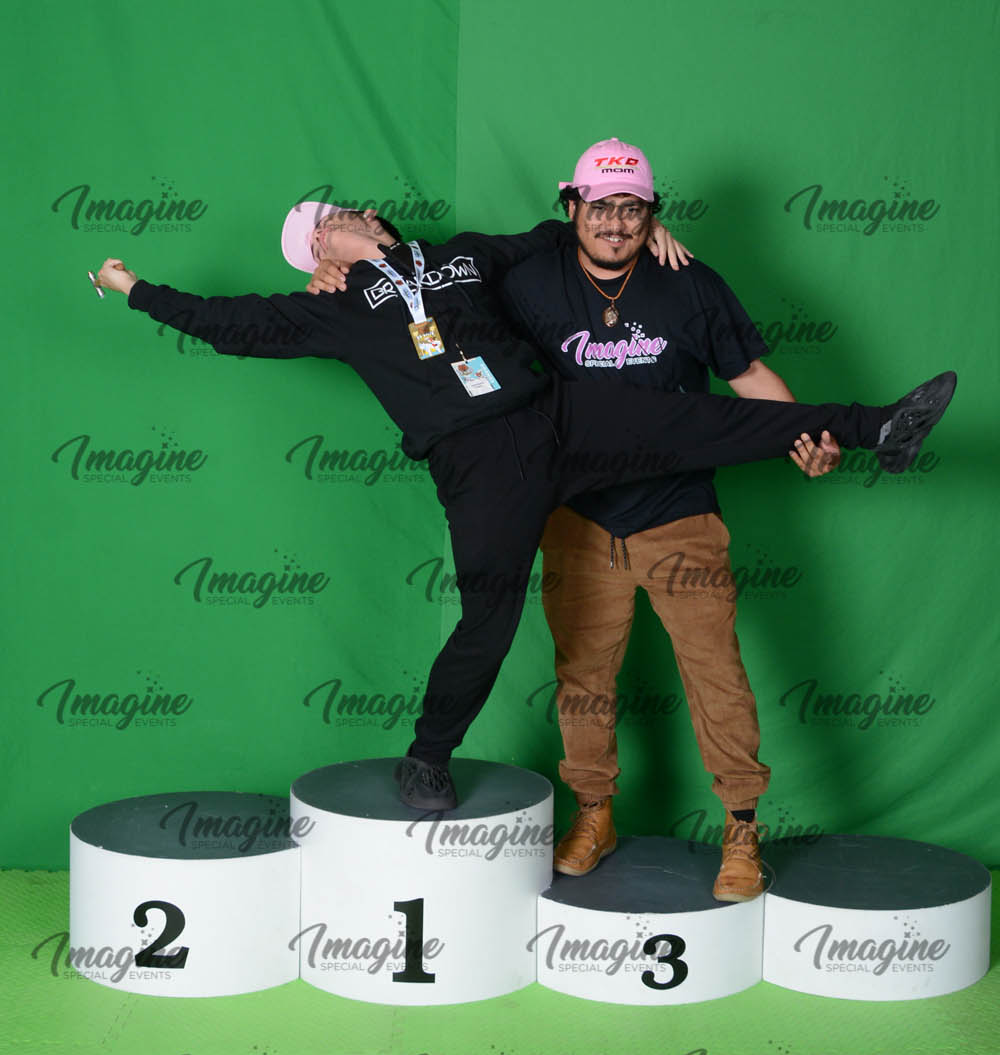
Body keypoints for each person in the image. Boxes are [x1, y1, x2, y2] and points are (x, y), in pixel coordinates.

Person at [94, 202, 955, 819]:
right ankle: (428, 757)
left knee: (698, 420)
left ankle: (880, 427)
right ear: (320, 252)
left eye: (343, 209)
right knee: (490, 618)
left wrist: (647, 227)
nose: (344, 217)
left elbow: (560, 230)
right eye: (324, 225)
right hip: (478, 465)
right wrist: (133, 288)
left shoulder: (464, 253)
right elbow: (226, 323)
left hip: (556, 415)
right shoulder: (335, 309)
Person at [500, 137, 841, 899]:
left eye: (633, 209)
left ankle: (741, 830)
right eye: (601, 207)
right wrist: (334, 263)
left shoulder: (691, 283)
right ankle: (594, 815)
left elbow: (748, 373)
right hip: (578, 517)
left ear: (653, 214)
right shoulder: (530, 281)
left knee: (717, 676)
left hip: (679, 513)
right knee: (583, 680)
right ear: (570, 206)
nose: (615, 224)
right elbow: (449, 286)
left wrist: (805, 436)